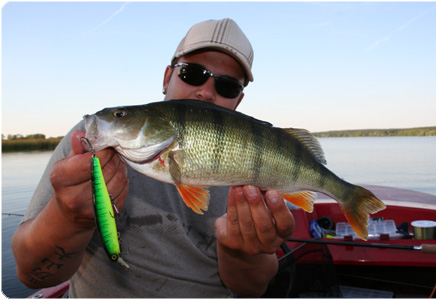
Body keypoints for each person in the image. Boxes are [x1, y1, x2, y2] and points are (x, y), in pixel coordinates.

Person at [12, 18, 295, 297]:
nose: (206, 91)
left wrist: (240, 251)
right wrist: (69, 218)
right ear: (166, 78)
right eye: (192, 74)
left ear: (239, 101)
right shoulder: (90, 146)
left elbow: (252, 289)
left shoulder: (262, 169)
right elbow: (30, 273)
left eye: (227, 86)